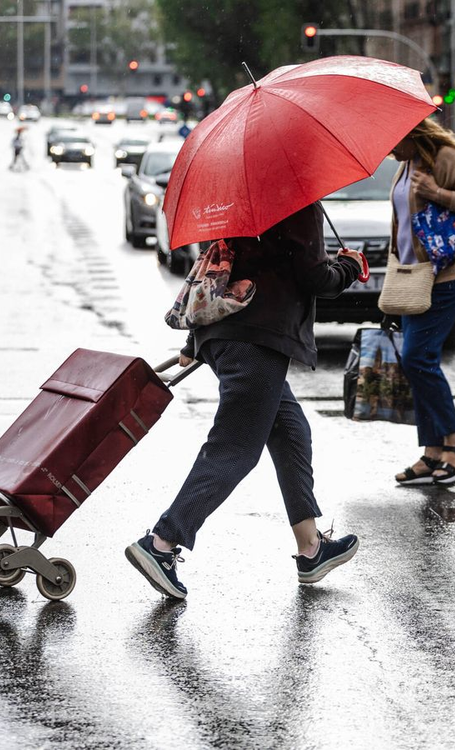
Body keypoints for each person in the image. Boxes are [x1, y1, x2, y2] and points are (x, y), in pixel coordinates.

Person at [126, 201, 366, 599]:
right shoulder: (297, 204)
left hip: (224, 334)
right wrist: (349, 267)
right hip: (256, 342)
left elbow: (221, 264)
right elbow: (315, 277)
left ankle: (311, 549)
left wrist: (194, 341)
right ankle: (163, 542)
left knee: (290, 431)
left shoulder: (238, 199)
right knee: (235, 448)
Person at [388, 117, 455, 486]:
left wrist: (437, 193)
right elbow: (401, 225)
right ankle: (433, 452)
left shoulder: (447, 158)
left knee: (418, 357)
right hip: (413, 279)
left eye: (392, 140)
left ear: (411, 132)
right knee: (416, 360)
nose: (388, 149)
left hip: (448, 275)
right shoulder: (406, 165)